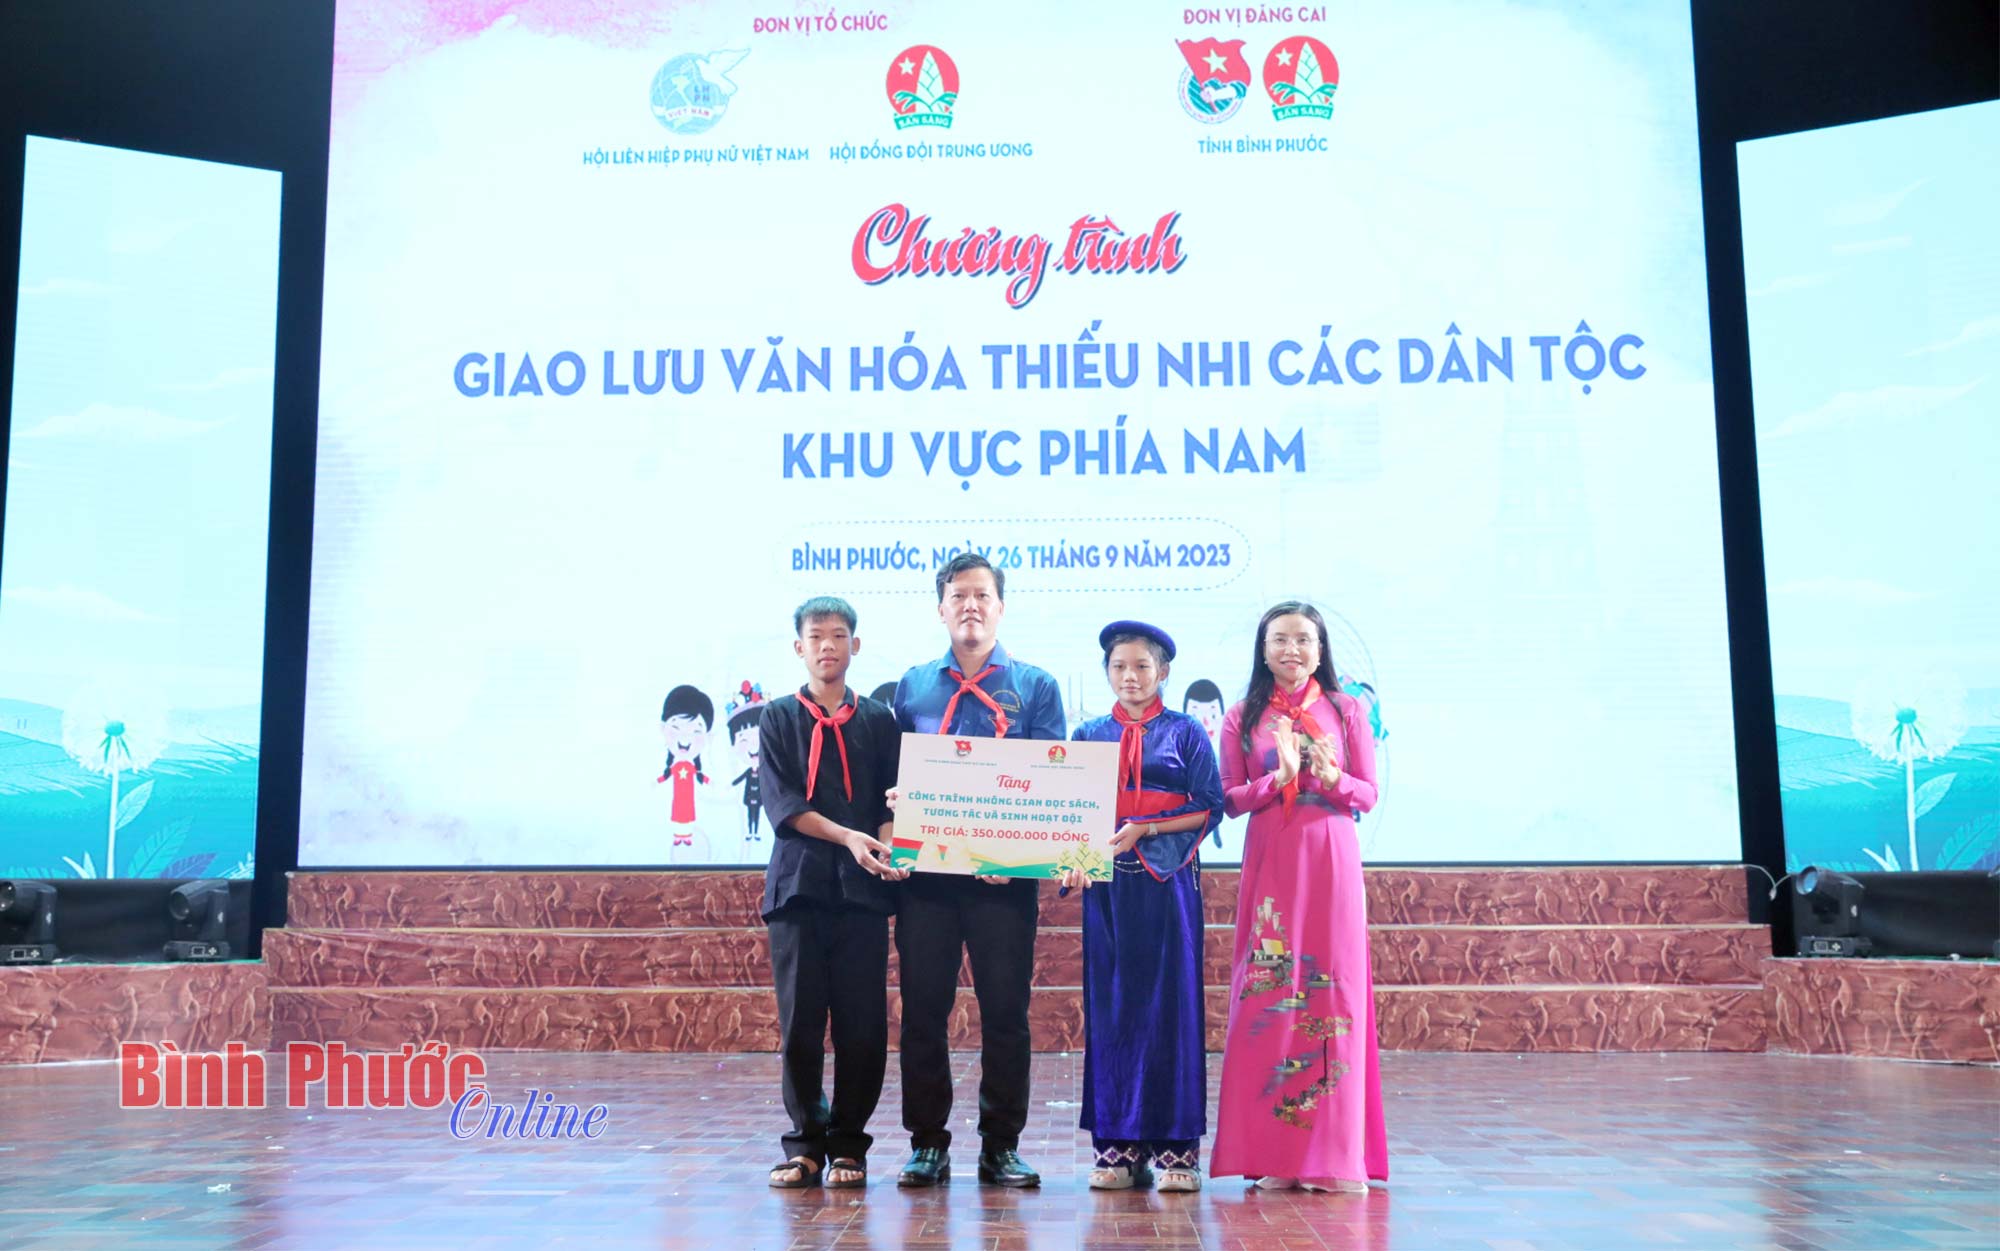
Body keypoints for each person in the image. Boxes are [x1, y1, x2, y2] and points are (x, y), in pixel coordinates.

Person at [890, 552, 1065, 1188]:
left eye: (982, 595)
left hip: (1004, 881)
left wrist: (1014, 854)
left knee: (1006, 1014)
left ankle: (1001, 1145)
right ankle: (927, 1144)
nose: (970, 605)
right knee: (923, 1013)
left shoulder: (1037, 686)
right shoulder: (912, 686)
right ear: (941, 608)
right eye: (958, 595)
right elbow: (895, 773)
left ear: (1000, 607)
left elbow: (1051, 781)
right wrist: (895, 809)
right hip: (927, 882)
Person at [1209, 601, 1386, 1193]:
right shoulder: (1243, 715)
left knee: (1333, 992)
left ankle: (1332, 1155)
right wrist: (1277, 780)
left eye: (1303, 639)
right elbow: (1230, 798)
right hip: (1272, 857)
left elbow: (1369, 793)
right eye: (1280, 639)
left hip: (1330, 855)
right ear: (1263, 651)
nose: (1292, 649)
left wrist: (1333, 780)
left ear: (1320, 649)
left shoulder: (1346, 709)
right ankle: (1277, 1155)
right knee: (1270, 992)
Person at [1057, 621, 1223, 1191]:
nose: (1130, 677)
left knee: (1172, 1007)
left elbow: (1209, 805)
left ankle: (1177, 1150)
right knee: (1112, 1006)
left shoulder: (1186, 733)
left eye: (1142, 667)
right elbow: (1070, 809)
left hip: (1169, 882)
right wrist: (1072, 859)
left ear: (1163, 672)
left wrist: (1144, 829)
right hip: (1107, 887)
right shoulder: (1088, 734)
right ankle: (1117, 1147)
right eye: (1119, 667)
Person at [758, 597, 909, 1189]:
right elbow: (784, 807)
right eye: (817, 635)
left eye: (839, 635)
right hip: (797, 890)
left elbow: (892, 801)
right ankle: (804, 1145)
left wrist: (891, 849)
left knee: (861, 1026)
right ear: (800, 647)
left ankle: (849, 1145)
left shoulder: (879, 720)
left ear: (855, 646)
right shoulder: (776, 718)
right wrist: (849, 836)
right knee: (800, 1024)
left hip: (862, 893)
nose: (828, 645)